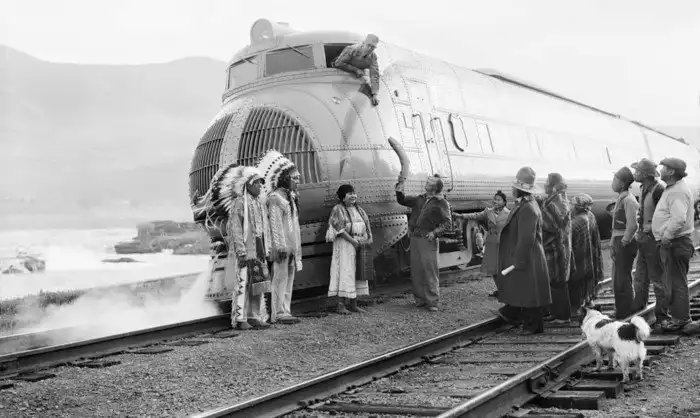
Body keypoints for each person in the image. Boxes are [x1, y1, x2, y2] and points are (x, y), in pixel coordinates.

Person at [494, 167, 551, 335]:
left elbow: (527, 237)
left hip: (527, 255)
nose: (512, 188)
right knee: (524, 288)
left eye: (515, 187)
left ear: (521, 190)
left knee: (529, 292)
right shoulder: (526, 204)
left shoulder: (527, 208)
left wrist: (519, 259)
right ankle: (512, 314)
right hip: (527, 254)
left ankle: (533, 326)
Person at [258, 150, 303, 325]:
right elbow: (275, 225)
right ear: (285, 179)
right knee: (279, 278)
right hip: (282, 246)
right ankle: (278, 312)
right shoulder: (275, 198)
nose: (297, 181)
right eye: (295, 178)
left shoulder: (290, 197)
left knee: (289, 278)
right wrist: (280, 245)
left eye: (298, 178)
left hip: (292, 245)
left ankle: (286, 309)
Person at [395, 173, 452, 312]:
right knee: (417, 271)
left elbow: (447, 223)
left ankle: (432, 301)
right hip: (415, 238)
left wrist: (434, 233)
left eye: (430, 181)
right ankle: (420, 299)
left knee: (429, 271)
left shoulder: (441, 202)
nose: (427, 181)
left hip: (428, 239)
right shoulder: (419, 198)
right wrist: (399, 187)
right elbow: (402, 200)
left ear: (436, 187)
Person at [652, 157, 696, 332]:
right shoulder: (674, 188)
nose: (660, 170)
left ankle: (681, 320)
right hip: (675, 242)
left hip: (675, 242)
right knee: (674, 281)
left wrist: (666, 236)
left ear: (671, 172)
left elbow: (678, 218)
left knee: (677, 283)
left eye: (663, 167)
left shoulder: (677, 191)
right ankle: (679, 318)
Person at [225, 166, 272, 330]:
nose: (260, 186)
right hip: (246, 249)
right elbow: (236, 228)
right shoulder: (239, 203)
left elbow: (264, 228)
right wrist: (241, 250)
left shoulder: (259, 203)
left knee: (258, 282)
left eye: (261, 183)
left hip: (259, 248)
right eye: (257, 183)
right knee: (243, 283)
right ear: (248, 185)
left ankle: (254, 316)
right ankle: (240, 318)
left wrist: (266, 247)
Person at [630, 158, 668, 325]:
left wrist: (655, 235)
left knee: (658, 279)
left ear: (645, 174)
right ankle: (639, 309)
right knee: (640, 277)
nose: (635, 173)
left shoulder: (658, 189)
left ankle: (662, 315)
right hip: (644, 239)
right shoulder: (643, 188)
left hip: (653, 240)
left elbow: (665, 216)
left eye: (637, 171)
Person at [326, 184, 374, 314]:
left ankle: (354, 304)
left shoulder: (359, 209)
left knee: (357, 272)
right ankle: (340, 305)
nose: (353, 196)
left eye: (354, 193)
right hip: (345, 245)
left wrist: (368, 239)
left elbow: (367, 225)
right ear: (343, 197)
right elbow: (339, 229)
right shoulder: (338, 209)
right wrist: (353, 241)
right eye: (349, 193)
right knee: (345, 272)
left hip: (359, 244)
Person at [454, 190, 510, 297]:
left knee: (503, 268)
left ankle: (505, 290)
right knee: (493, 268)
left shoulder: (509, 214)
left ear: (504, 202)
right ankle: (500, 290)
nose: (496, 201)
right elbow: (475, 215)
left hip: (504, 244)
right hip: (492, 243)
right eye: (495, 199)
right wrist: (461, 216)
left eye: (499, 200)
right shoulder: (488, 212)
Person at [540, 173, 573, 324]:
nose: (545, 185)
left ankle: (562, 315)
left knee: (557, 280)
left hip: (556, 247)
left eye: (547, 182)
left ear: (553, 185)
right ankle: (556, 312)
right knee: (556, 280)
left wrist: (539, 220)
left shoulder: (557, 201)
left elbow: (553, 225)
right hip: (559, 245)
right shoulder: (559, 199)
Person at [569, 193, 604, 320]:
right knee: (587, 280)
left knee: (576, 282)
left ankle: (576, 308)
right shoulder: (590, 215)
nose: (570, 206)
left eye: (572, 204)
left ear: (577, 207)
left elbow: (569, 239)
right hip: (590, 255)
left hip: (579, 257)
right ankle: (588, 301)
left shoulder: (577, 221)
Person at [610, 166, 639, 319]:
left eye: (615, 179)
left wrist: (624, 242)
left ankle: (625, 311)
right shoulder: (622, 198)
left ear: (622, 183)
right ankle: (621, 309)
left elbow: (633, 225)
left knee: (622, 279)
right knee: (618, 279)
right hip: (619, 241)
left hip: (624, 243)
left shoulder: (628, 200)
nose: (612, 182)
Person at [331, 34, 381, 106]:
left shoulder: (373, 57)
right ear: (363, 43)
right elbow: (338, 63)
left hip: (355, 76)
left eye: (373, 47)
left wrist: (375, 94)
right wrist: (355, 70)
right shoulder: (351, 49)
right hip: (341, 71)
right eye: (368, 45)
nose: (370, 48)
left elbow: (374, 76)